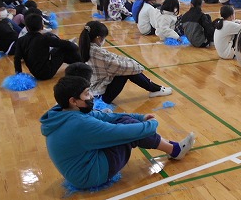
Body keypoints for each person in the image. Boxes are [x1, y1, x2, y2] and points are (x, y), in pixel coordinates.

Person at [40, 76, 195, 190]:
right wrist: (151, 124)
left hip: (80, 170)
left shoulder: (61, 111)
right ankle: (175, 150)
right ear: (73, 101)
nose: (91, 96)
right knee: (131, 131)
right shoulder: (78, 123)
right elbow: (120, 132)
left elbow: (106, 116)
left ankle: (172, 147)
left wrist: (139, 117)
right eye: (87, 94)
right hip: (89, 176)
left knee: (126, 121)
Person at [79, 21, 172, 103]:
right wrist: (137, 66)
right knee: (127, 71)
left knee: (127, 68)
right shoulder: (96, 52)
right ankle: (154, 88)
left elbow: (113, 58)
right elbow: (119, 66)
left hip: (96, 87)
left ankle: (154, 87)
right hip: (100, 95)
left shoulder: (88, 47)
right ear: (98, 38)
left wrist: (130, 62)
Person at [13, 14, 81, 80]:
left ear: (27, 27)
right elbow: (66, 44)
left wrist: (19, 76)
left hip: (35, 73)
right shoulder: (44, 38)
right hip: (46, 73)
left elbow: (17, 59)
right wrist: (76, 48)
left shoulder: (20, 40)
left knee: (58, 48)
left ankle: (77, 63)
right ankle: (81, 62)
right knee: (64, 48)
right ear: (42, 27)